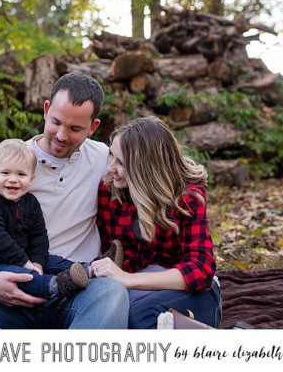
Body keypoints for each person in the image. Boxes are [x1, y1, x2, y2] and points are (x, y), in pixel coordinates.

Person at [0, 72, 129, 329]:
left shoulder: (103, 160)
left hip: (74, 295)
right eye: (56, 122)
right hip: (8, 295)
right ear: (45, 109)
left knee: (111, 293)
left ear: (93, 127)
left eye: (75, 129)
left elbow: (152, 175)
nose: (62, 136)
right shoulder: (9, 163)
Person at [91, 117, 221, 329]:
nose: (109, 169)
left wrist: (128, 279)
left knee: (141, 317)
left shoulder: (187, 198)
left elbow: (200, 270)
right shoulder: (110, 191)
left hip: (187, 292)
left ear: (146, 167)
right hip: (136, 289)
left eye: (121, 162)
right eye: (111, 156)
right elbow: (110, 252)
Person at [0, 139, 118, 301]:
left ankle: (93, 269)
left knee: (56, 262)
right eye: (5, 173)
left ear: (31, 178)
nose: (13, 179)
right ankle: (55, 286)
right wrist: (25, 263)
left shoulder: (30, 202)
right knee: (24, 277)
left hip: (25, 255)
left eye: (21, 174)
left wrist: (38, 261)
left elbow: (39, 235)